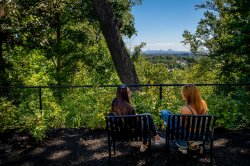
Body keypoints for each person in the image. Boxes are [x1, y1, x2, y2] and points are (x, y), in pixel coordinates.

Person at [110, 84, 165, 152]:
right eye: (129, 92)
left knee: (146, 118)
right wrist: (139, 117)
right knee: (148, 117)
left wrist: (137, 116)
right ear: (124, 95)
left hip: (118, 134)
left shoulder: (114, 104)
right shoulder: (128, 107)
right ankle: (155, 138)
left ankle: (151, 140)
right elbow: (134, 126)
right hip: (132, 133)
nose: (131, 93)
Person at [161, 84, 208, 154]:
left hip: (188, 134)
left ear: (187, 94)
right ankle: (195, 143)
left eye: (182, 92)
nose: (181, 93)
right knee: (169, 114)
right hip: (200, 133)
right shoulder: (203, 103)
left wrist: (172, 122)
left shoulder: (185, 109)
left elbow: (182, 125)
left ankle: (183, 146)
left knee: (164, 113)